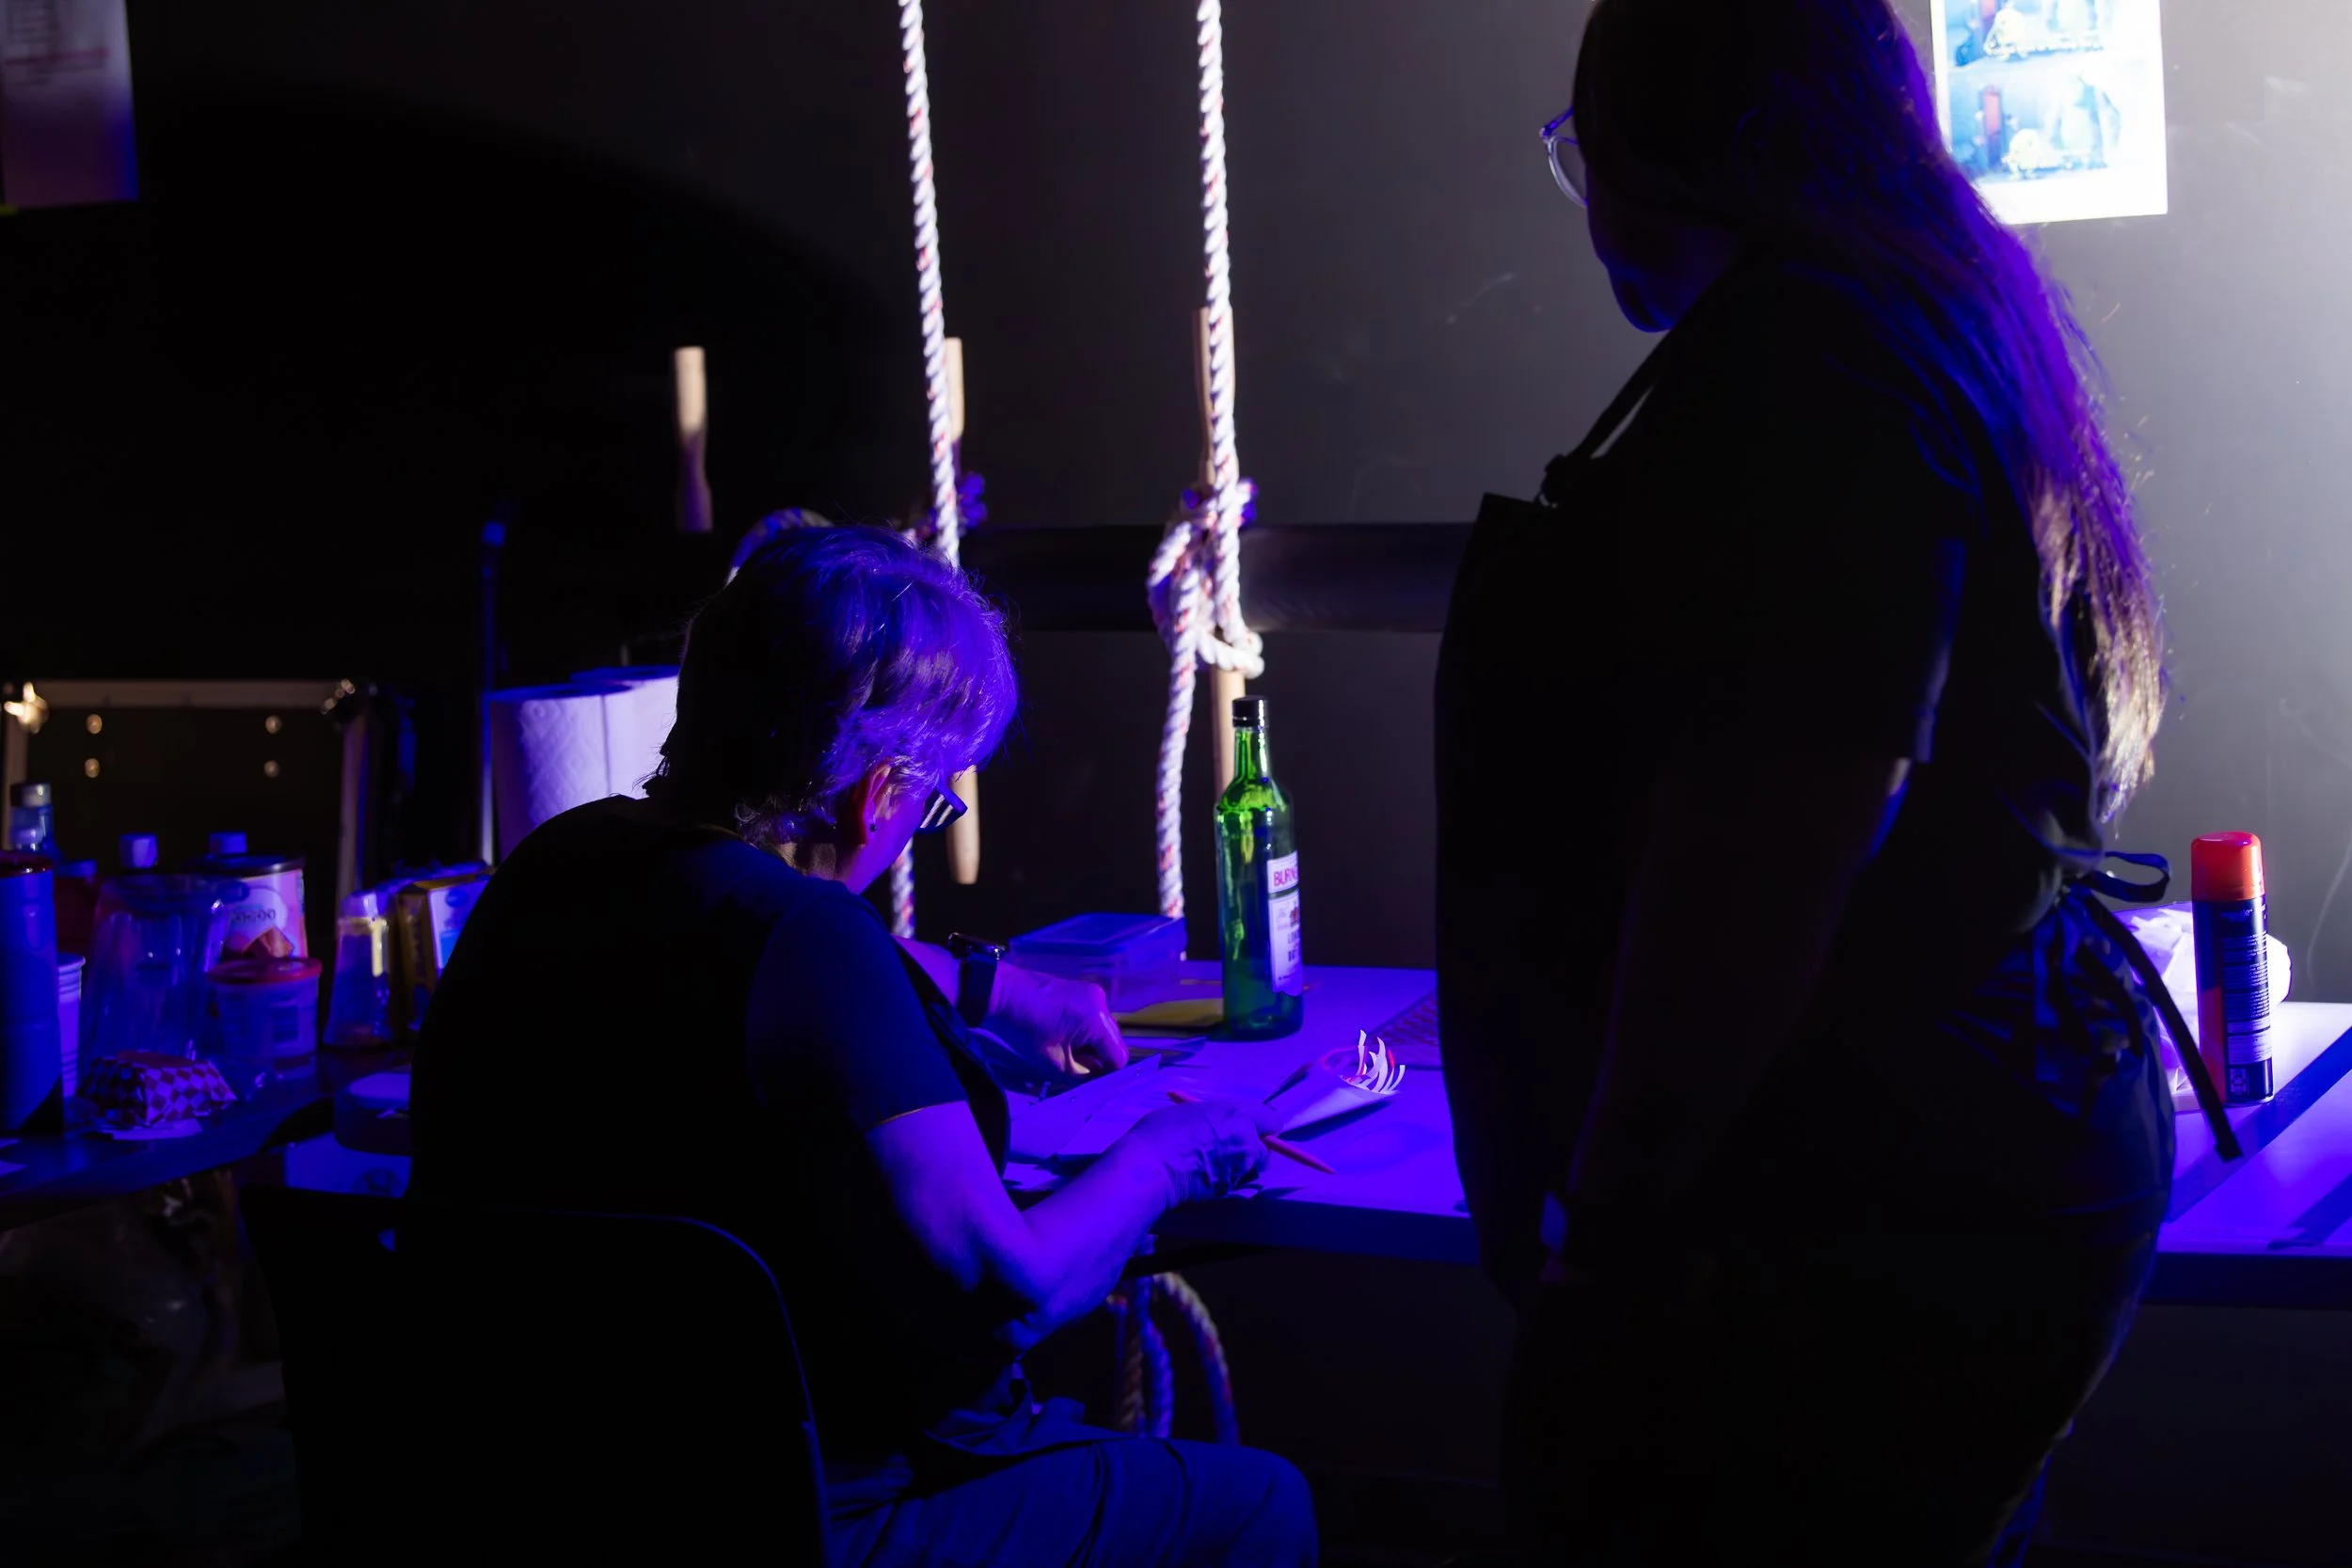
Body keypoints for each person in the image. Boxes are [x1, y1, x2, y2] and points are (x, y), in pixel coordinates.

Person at [1437, 2, 2186, 1561]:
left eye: (1592, 155)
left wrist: (1610, 1225)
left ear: (1682, 148)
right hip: (1971, 1139)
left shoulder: (1812, 356)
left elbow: (1780, 829)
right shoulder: (1925, 317)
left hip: (1884, 1186)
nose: (1595, 218)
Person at [411, 525, 1314, 1568]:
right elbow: (1006, 1291)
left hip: (552, 1495)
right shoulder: (805, 940)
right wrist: (1172, 1152)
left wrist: (992, 982)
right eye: (929, 804)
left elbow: (745, 939)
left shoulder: (551, 866)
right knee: (1261, 1504)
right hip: (809, 1516)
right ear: (877, 790)